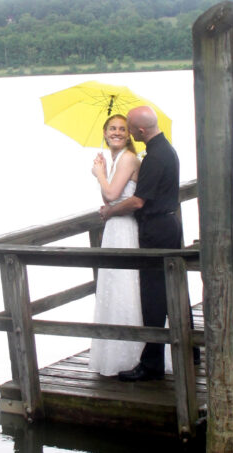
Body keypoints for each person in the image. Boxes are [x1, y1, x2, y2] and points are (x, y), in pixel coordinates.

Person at [99, 105, 182, 382]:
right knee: (170, 291)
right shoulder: (162, 150)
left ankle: (152, 364)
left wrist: (109, 211)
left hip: (157, 228)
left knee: (155, 297)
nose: (128, 132)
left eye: (130, 128)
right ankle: (187, 352)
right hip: (165, 225)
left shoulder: (155, 157)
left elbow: (137, 201)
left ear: (140, 130)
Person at [89, 114, 144, 377]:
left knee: (124, 285)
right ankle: (112, 352)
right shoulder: (114, 159)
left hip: (124, 229)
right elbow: (110, 197)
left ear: (129, 133)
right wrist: (104, 171)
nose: (117, 132)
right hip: (114, 228)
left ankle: (130, 355)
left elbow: (111, 194)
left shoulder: (129, 158)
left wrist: (99, 175)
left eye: (122, 129)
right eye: (112, 128)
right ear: (104, 131)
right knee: (111, 285)